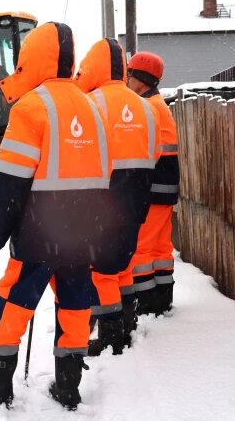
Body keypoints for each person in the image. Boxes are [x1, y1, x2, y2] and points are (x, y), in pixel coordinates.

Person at [0, 22, 115, 411]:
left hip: (41, 234)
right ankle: (68, 386)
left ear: (31, 58)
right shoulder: (93, 109)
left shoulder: (30, 108)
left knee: (14, 302)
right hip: (82, 234)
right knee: (77, 303)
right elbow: (105, 176)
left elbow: (9, 185)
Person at [74, 39, 161, 356]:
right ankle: (126, 322)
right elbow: (154, 153)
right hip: (137, 196)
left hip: (104, 196)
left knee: (101, 271)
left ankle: (111, 334)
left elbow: (80, 153)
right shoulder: (144, 107)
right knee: (122, 265)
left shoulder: (90, 104)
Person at [125, 51, 180, 317]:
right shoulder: (159, 104)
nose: (127, 80)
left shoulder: (147, 108)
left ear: (142, 79)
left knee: (142, 248)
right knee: (160, 247)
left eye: (130, 75)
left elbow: (147, 152)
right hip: (166, 187)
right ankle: (162, 298)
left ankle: (146, 304)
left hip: (154, 187)